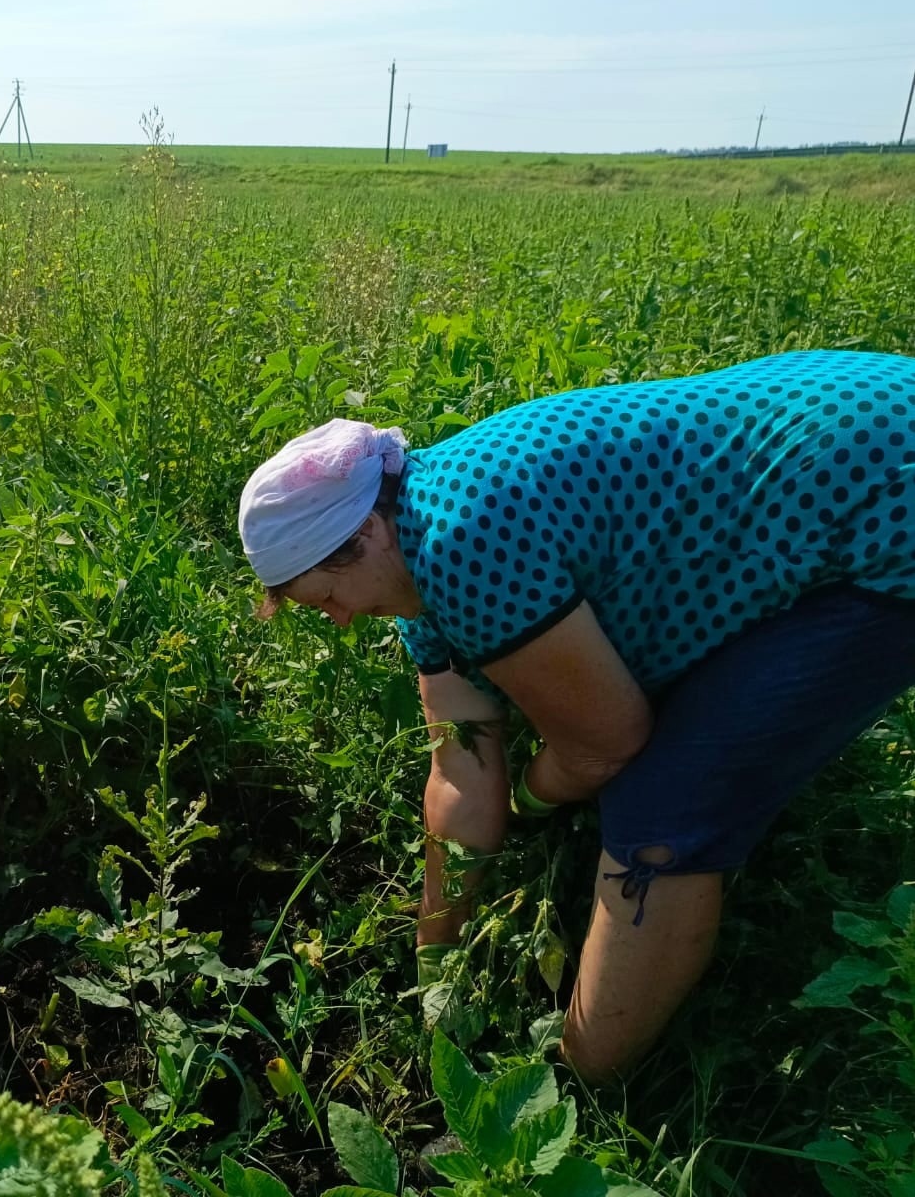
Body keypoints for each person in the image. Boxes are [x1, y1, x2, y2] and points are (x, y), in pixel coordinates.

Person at [237, 349, 915, 1082]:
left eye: (326, 597)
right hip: (847, 412)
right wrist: (435, 957)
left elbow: (606, 746)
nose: (338, 621)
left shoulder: (463, 543)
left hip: (885, 494)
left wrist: (532, 799)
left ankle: (580, 1092)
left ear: (363, 534)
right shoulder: (422, 549)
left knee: (663, 811)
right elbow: (460, 766)